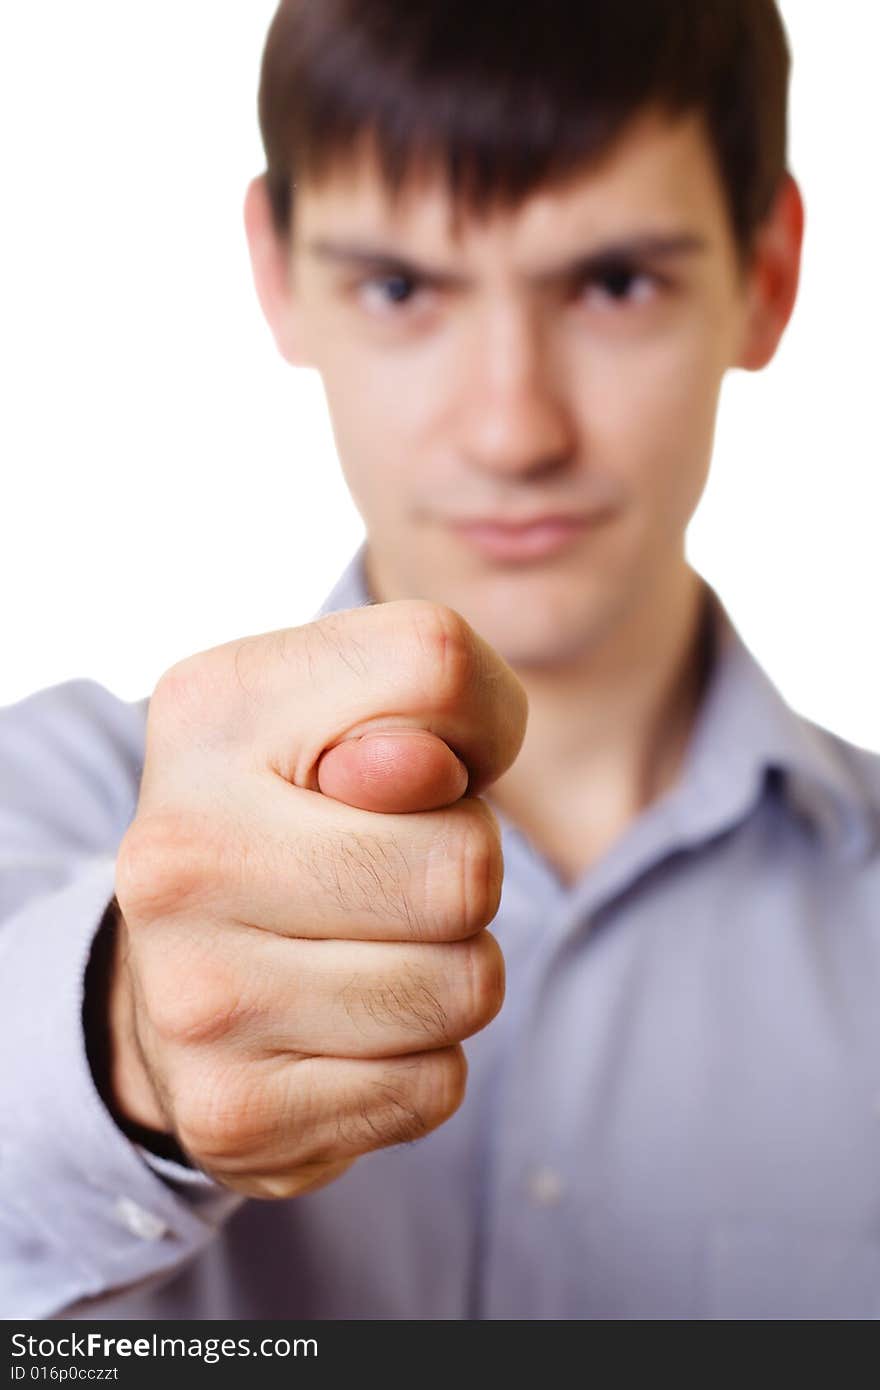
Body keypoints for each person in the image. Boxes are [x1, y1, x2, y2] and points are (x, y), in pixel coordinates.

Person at [3, 0, 879, 1322]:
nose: (513, 428)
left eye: (613, 282)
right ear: (277, 273)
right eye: (403, 288)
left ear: (768, 272)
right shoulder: (51, 802)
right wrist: (125, 1038)